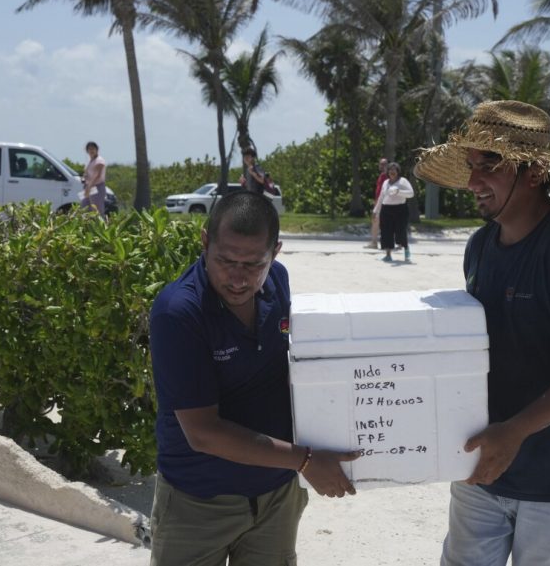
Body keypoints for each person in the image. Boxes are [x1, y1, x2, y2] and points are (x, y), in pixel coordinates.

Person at [413, 100, 550, 566]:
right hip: (484, 463)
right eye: (471, 167)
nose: (473, 182)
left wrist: (514, 431)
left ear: (533, 174)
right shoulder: (479, 247)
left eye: (488, 166)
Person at [148, 191, 359, 566]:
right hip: (198, 502)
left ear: (275, 252)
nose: (238, 277)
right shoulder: (178, 312)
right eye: (225, 260)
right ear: (204, 241)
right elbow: (203, 433)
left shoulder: (277, 281)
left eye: (253, 264)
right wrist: (307, 461)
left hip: (275, 496)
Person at [378, 162, 414, 263]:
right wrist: (376, 210)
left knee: (400, 232)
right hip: (386, 209)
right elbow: (381, 196)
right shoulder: (385, 182)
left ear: (398, 171)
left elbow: (411, 193)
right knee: (386, 232)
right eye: (390, 170)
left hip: (400, 209)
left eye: (394, 170)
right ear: (388, 172)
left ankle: (406, 249)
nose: (392, 171)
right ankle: (388, 254)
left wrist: (399, 191)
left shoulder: (403, 181)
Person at [365, 158, 388, 250]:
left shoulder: (386, 176)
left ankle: (375, 243)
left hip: (382, 203)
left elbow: (382, 192)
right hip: (379, 202)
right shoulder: (382, 175)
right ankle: (375, 242)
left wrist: (377, 204)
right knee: (377, 222)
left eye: (384, 164)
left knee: (376, 222)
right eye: (380, 164)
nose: (381, 166)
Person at [81, 141, 107, 216]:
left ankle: (101, 227)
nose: (91, 151)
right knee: (84, 208)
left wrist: (89, 187)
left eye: (93, 149)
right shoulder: (90, 161)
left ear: (97, 149)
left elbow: (97, 175)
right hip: (89, 187)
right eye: (89, 149)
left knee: (97, 211)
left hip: (97, 187)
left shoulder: (99, 160)